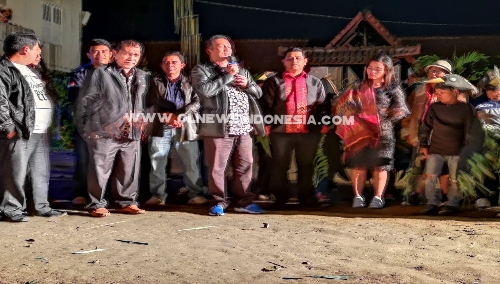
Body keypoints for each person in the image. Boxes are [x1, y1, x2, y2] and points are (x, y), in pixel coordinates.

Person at [190, 34, 265, 216]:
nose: (226, 49)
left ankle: (244, 202)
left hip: (243, 127)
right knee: (217, 167)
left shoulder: (242, 70)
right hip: (217, 126)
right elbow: (206, 91)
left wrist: (247, 84)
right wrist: (228, 76)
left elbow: (258, 92)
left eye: (228, 46)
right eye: (221, 46)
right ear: (210, 51)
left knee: (245, 165)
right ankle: (218, 202)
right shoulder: (202, 70)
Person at [75, 39, 149, 217]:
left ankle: (126, 202)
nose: (131, 57)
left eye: (135, 54)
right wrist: (88, 130)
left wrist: (144, 122)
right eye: (126, 53)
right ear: (115, 54)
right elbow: (84, 103)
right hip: (104, 132)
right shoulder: (100, 73)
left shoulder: (142, 76)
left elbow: (146, 103)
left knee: (128, 169)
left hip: (132, 132)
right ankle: (96, 203)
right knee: (100, 169)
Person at [0, 32, 66, 222]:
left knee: (39, 171)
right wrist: (8, 127)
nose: (39, 53)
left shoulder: (31, 70)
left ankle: (41, 206)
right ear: (25, 49)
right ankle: (10, 209)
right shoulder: (5, 69)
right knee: (14, 172)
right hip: (19, 131)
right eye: (37, 49)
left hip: (39, 131)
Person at [335, 54, 410, 209]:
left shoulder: (393, 88)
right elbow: (342, 105)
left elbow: (401, 110)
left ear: (386, 70)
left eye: (377, 69)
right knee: (358, 165)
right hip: (358, 134)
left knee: (380, 165)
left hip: (382, 134)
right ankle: (358, 197)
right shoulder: (357, 86)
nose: (372, 71)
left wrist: (382, 119)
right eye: (370, 68)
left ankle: (378, 197)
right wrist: (353, 115)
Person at [260, 47, 327, 207]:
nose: (294, 61)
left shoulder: (315, 82)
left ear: (305, 61)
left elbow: (323, 105)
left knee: (306, 165)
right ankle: (280, 198)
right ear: (284, 62)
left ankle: (306, 198)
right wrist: (267, 123)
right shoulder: (274, 81)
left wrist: (324, 121)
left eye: (298, 58)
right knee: (280, 165)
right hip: (280, 131)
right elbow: (266, 105)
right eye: (290, 58)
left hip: (308, 131)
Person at [144, 51, 209, 206]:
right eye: (166, 62)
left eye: (174, 62)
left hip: (185, 126)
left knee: (191, 163)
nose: (170, 65)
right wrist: (166, 115)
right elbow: (151, 102)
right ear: (161, 66)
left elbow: (198, 102)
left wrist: (178, 116)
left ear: (182, 65)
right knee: (156, 162)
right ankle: (158, 195)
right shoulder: (154, 81)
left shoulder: (191, 81)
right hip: (160, 126)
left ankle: (195, 193)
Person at [419, 74, 476, 215]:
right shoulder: (434, 108)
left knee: (454, 179)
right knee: (430, 177)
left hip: (457, 150)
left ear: (455, 92)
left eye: (442, 93)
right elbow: (425, 127)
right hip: (436, 149)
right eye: (437, 93)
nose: (439, 96)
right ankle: (432, 203)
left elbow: (469, 130)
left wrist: (467, 149)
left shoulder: (466, 108)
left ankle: (453, 203)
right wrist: (424, 145)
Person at [400, 60, 454, 203]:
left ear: (447, 74)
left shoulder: (454, 90)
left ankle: (445, 195)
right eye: (431, 71)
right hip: (420, 134)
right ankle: (415, 194)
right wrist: (407, 132)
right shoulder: (418, 90)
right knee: (418, 165)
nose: (433, 73)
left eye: (438, 71)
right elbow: (408, 113)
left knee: (443, 166)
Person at [68, 39, 112, 205]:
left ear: (110, 55)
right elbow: (78, 99)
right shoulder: (79, 74)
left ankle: (105, 194)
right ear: (89, 54)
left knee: (107, 160)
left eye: (103, 51)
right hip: (85, 126)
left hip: (111, 125)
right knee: (84, 160)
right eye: (95, 51)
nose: (99, 55)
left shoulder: (117, 74)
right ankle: (81, 192)